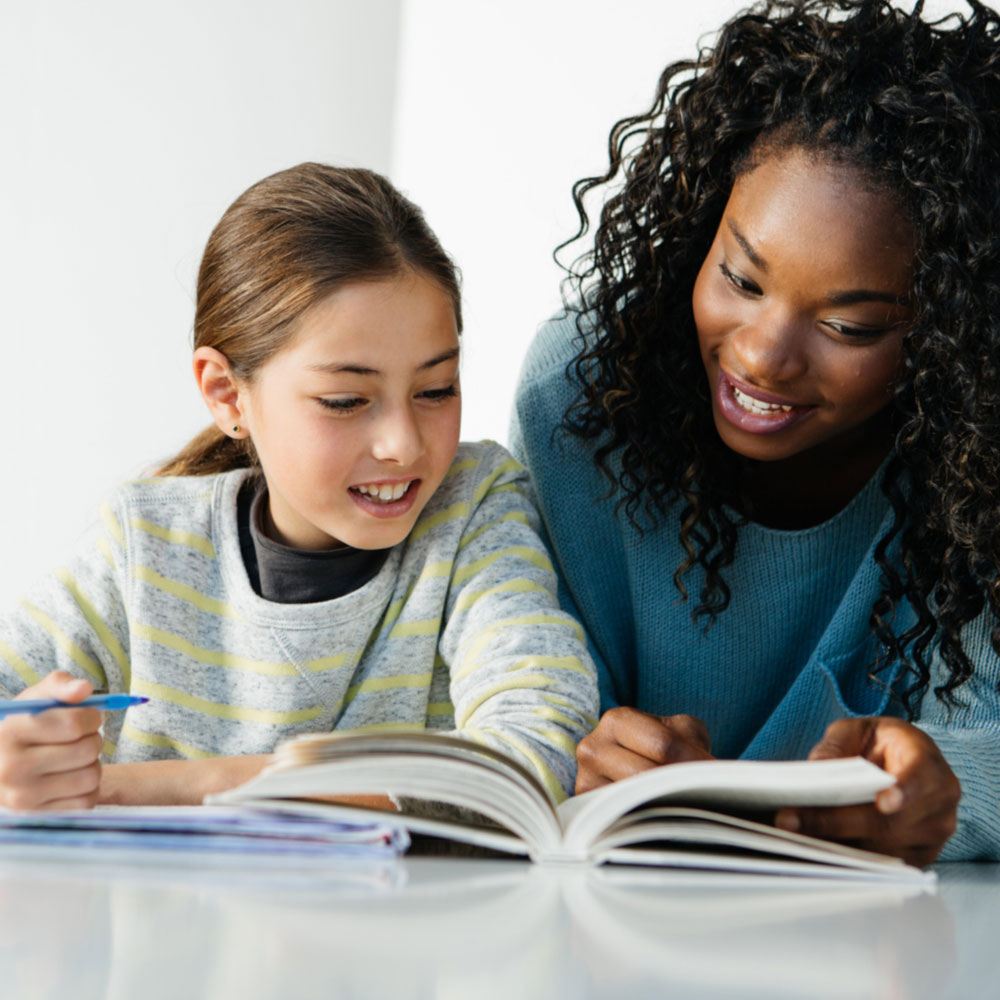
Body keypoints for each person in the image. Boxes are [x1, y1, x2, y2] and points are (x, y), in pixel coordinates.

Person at [512, 0, 1000, 865]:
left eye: (850, 327)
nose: (764, 358)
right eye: (740, 278)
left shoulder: (980, 463)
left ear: (954, 337)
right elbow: (513, 676)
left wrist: (942, 791)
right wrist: (578, 754)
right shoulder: (580, 396)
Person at [0, 163, 597, 811]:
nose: (403, 443)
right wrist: (18, 756)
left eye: (435, 389)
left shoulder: (474, 508)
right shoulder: (147, 547)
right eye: (345, 400)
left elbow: (537, 747)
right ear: (227, 394)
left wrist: (151, 786)